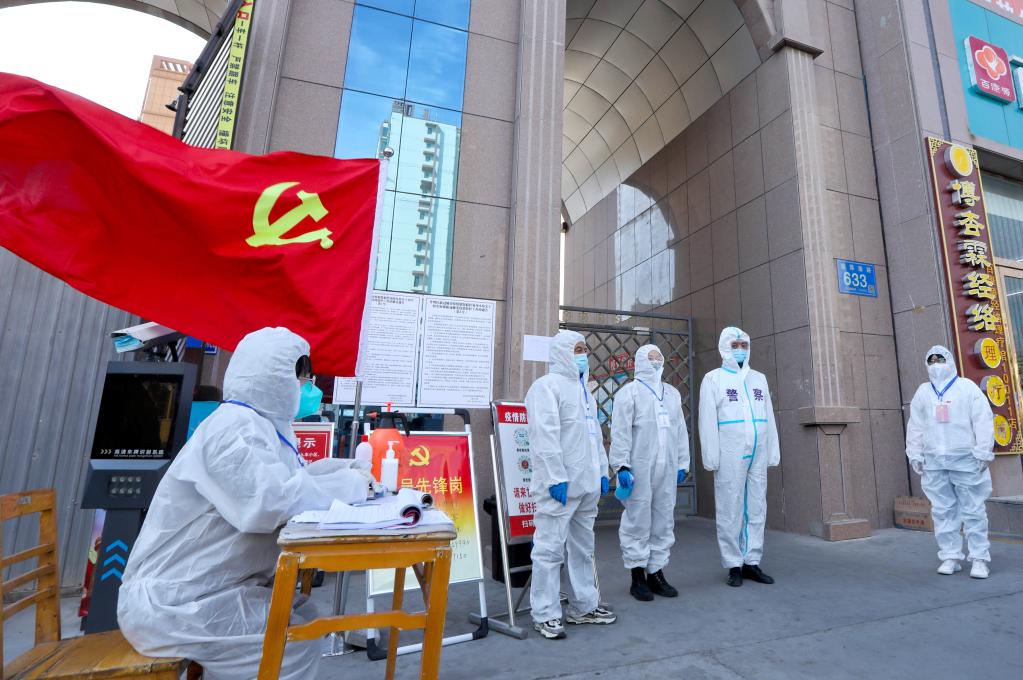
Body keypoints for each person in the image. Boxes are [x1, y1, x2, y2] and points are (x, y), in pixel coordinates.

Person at [118, 327, 369, 679]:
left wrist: (343, 473)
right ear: (272, 377)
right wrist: (347, 486)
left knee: (306, 617)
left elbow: (293, 481)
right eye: (300, 377)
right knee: (294, 641)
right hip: (176, 601)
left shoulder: (264, 427)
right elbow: (269, 503)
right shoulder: (232, 428)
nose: (306, 387)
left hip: (213, 590)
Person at [525, 329, 616, 640]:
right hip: (560, 486)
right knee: (549, 550)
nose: (582, 355)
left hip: (586, 484)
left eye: (584, 349)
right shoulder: (546, 387)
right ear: (561, 352)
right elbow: (544, 436)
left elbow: (594, 436)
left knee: (583, 549)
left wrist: (602, 471)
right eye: (577, 349)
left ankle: (584, 606)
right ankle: (545, 613)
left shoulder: (585, 392)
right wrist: (554, 477)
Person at [698, 327, 780, 587]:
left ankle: (752, 561)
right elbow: (707, 421)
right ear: (724, 346)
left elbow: (768, 415)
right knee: (729, 506)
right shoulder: (713, 379)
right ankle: (734, 564)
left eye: (744, 344)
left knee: (757, 506)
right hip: (730, 451)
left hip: (758, 449)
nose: (740, 349)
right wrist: (711, 456)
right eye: (735, 345)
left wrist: (772, 450)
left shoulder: (759, 378)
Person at [905, 345, 994, 579]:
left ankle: (979, 559)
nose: (936, 365)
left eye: (940, 359)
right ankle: (950, 556)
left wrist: (983, 451)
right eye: (931, 361)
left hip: (966, 459)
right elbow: (916, 425)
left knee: (973, 510)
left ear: (950, 361)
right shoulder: (923, 392)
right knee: (943, 511)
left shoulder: (966, 388)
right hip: (934, 461)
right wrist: (915, 453)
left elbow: (983, 420)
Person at [609, 344, 690, 601]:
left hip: (667, 467)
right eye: (650, 357)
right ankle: (637, 576)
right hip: (639, 469)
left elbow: (680, 430)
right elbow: (620, 431)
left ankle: (656, 572)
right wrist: (622, 465)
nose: (656, 361)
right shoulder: (629, 393)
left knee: (663, 519)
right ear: (640, 361)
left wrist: (682, 463)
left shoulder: (672, 394)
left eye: (659, 357)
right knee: (638, 519)